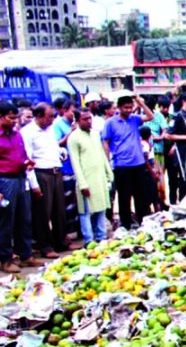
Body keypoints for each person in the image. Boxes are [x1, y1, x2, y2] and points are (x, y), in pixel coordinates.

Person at [21, 103, 67, 258]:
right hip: (41, 173)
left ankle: (60, 240)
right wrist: (34, 184)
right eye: (49, 117)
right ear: (39, 116)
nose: (52, 120)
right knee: (43, 212)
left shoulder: (50, 129)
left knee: (59, 210)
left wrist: (61, 152)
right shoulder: (28, 133)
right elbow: (27, 159)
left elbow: (52, 147)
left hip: (55, 171)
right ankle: (45, 246)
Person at [102, 94, 154, 229]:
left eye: (130, 107)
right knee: (124, 197)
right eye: (125, 107)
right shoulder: (110, 123)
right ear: (119, 107)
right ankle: (126, 224)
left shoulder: (134, 119)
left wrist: (139, 102)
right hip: (121, 165)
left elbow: (150, 116)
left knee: (141, 195)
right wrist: (106, 162)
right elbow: (106, 142)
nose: (128, 110)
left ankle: (143, 221)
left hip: (138, 163)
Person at [0, 101, 41, 273]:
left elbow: (22, 156)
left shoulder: (17, 135)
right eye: (11, 118)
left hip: (20, 178)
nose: (14, 121)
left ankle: (25, 254)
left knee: (24, 218)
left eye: (16, 117)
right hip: (5, 181)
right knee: (6, 221)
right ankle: (5, 259)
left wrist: (27, 164)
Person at [68, 108, 113, 245]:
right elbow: (75, 162)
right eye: (85, 119)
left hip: (99, 178)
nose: (88, 121)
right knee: (86, 212)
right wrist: (82, 184)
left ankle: (101, 237)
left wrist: (108, 173)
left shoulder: (94, 134)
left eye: (90, 118)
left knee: (101, 208)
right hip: (86, 180)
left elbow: (101, 154)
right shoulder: (74, 138)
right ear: (77, 120)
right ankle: (88, 240)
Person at [145, 96, 171, 207]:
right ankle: (151, 203)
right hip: (145, 152)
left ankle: (161, 202)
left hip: (158, 150)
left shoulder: (158, 115)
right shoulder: (140, 115)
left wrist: (160, 137)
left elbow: (165, 130)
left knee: (159, 177)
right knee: (148, 179)